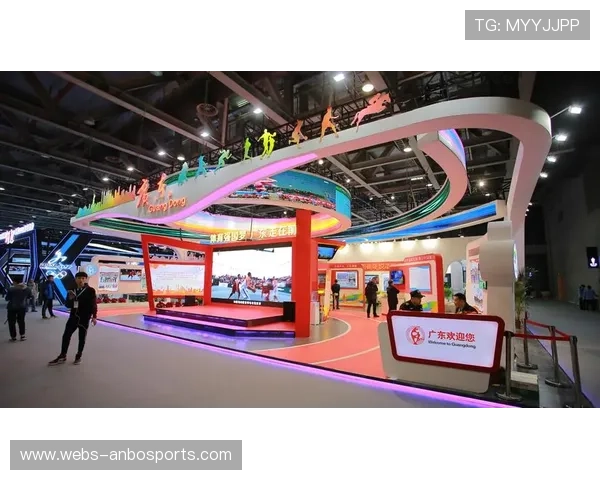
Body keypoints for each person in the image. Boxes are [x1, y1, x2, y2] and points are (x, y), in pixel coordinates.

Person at [48, 272, 97, 366]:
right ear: (75, 279)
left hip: (84, 318)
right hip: (73, 316)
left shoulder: (90, 290)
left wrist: (94, 316)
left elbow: (93, 304)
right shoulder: (72, 290)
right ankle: (63, 355)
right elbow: (67, 305)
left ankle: (78, 356)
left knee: (81, 338)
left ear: (86, 279)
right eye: (79, 278)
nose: (81, 280)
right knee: (66, 335)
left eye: (83, 278)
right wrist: (70, 299)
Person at [5, 277, 32, 342]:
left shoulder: (11, 289)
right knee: (21, 321)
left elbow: (7, 298)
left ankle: (13, 337)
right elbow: (29, 297)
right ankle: (22, 336)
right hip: (22, 307)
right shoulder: (27, 289)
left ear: (14, 282)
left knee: (12, 322)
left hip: (12, 307)